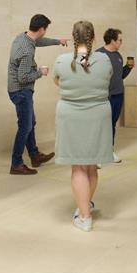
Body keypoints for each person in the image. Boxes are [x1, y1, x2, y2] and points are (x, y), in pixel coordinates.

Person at [52, 20, 114, 232]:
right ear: (93, 37)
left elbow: (57, 81)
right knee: (90, 165)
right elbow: (107, 80)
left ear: (73, 37)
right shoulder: (104, 60)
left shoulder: (62, 60)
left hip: (70, 116)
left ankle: (85, 216)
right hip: (98, 115)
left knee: (77, 166)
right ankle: (84, 206)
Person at [7, 14, 67, 175]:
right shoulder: (26, 51)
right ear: (42, 29)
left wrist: (57, 41)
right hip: (21, 91)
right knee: (25, 126)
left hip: (17, 90)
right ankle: (16, 163)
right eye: (45, 30)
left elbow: (39, 41)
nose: (45, 33)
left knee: (30, 122)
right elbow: (23, 77)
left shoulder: (23, 37)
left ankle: (34, 155)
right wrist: (40, 72)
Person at [96, 28, 134, 163]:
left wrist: (128, 68)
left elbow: (120, 76)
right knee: (101, 125)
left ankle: (109, 151)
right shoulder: (98, 54)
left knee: (111, 124)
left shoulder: (118, 55)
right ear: (112, 40)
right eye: (120, 40)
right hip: (104, 97)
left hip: (118, 95)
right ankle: (97, 155)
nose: (121, 42)